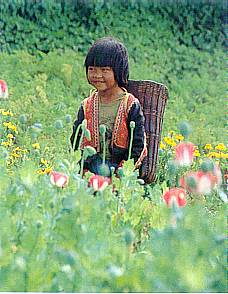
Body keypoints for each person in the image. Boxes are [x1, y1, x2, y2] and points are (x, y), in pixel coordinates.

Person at [70, 36, 147, 176]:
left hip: (117, 168)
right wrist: (81, 167)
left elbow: (139, 145)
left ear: (118, 71)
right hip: (89, 165)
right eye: (92, 69)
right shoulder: (86, 105)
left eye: (104, 70)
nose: (97, 75)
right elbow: (76, 139)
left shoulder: (129, 104)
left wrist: (123, 171)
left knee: (101, 172)